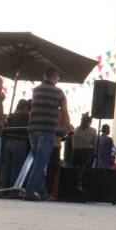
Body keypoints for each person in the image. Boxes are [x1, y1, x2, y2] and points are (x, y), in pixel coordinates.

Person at [26, 67, 71, 201]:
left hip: (33, 128)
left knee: (37, 161)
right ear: (55, 77)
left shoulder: (36, 90)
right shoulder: (58, 92)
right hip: (47, 129)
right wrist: (68, 126)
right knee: (41, 162)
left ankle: (43, 192)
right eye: (58, 77)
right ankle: (29, 191)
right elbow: (64, 110)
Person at [2, 99, 30, 188]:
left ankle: (4, 189)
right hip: (20, 143)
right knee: (16, 168)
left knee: (7, 168)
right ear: (26, 107)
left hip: (8, 143)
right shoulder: (27, 117)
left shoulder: (11, 116)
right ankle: (13, 190)